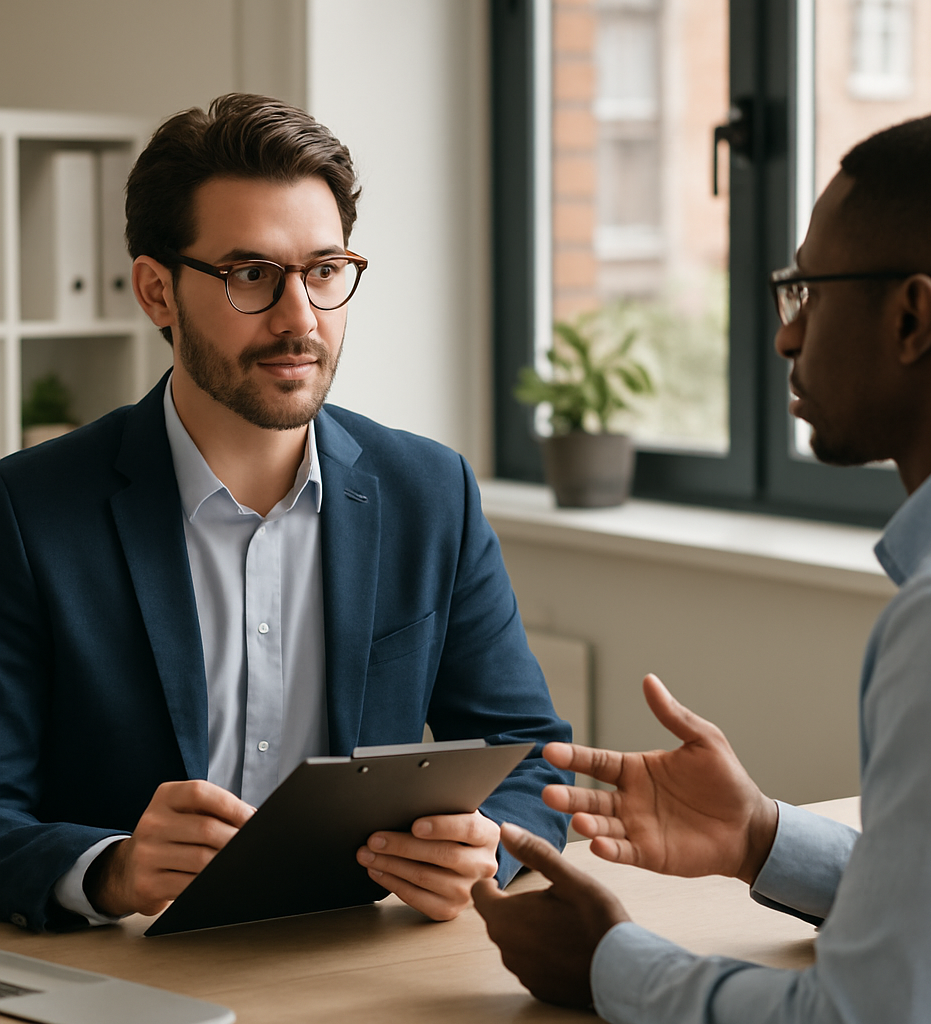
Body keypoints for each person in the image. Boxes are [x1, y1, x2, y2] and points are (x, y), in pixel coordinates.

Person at [473, 106, 931, 1023]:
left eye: (809, 291)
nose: (786, 337)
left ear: (912, 316)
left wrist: (610, 963)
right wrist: (761, 835)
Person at [0, 93, 570, 934]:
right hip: (125, 979)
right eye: (251, 276)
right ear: (158, 292)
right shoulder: (28, 513)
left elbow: (528, 750)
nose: (300, 319)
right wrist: (110, 869)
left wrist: (488, 847)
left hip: (364, 965)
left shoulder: (430, 492)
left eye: (325, 271)